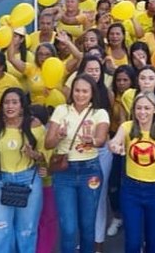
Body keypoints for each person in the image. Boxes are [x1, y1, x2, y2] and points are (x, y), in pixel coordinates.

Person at [45, 74, 110, 253]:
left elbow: (102, 140)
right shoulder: (61, 110)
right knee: (68, 229)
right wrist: (58, 136)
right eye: (77, 90)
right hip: (65, 171)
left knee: (87, 227)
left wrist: (92, 140)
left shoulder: (100, 113)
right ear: (72, 91)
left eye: (85, 91)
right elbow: (48, 143)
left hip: (90, 171)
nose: (80, 95)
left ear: (92, 93)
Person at [107, 91, 155, 253]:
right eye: (139, 108)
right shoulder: (127, 127)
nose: (142, 112)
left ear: (154, 109)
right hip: (131, 191)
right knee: (132, 242)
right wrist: (115, 146)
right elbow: (115, 141)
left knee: (154, 241)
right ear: (134, 109)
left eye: (147, 108)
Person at [0, 87, 46, 253]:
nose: (10, 106)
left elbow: (45, 156)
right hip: (0, 180)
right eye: (6, 102)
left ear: (22, 106)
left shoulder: (35, 125)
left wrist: (33, 154)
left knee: (26, 230)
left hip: (28, 180)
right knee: (0, 229)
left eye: (14, 102)